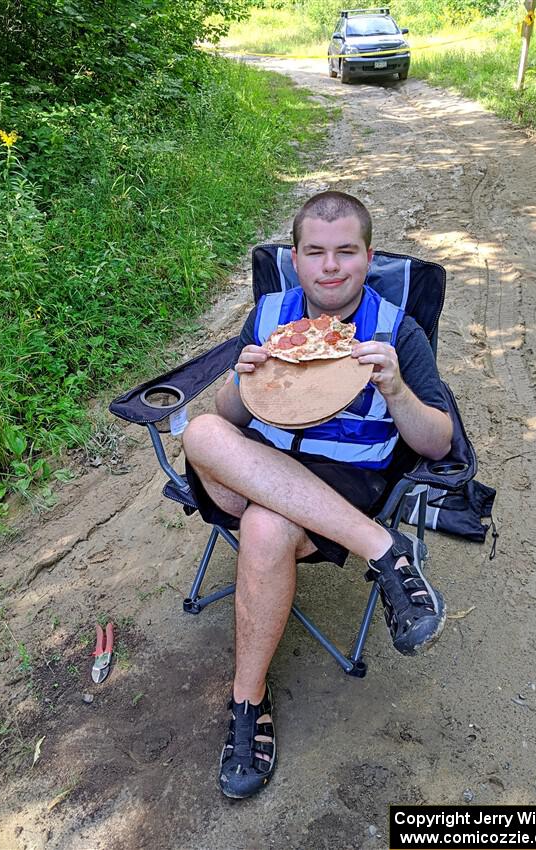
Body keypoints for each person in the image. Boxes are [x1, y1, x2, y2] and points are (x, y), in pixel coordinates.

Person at [182, 191, 453, 800]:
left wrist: (397, 387)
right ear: (297, 259)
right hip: (260, 463)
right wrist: (239, 380)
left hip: (348, 476)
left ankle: (247, 708)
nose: (331, 267)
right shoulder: (272, 314)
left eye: (346, 252)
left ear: (368, 256)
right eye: (316, 253)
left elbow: (437, 443)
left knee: (264, 529)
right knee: (202, 428)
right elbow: (231, 418)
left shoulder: (395, 330)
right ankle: (385, 551)